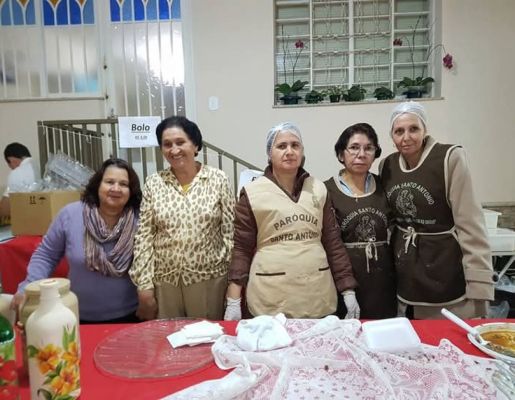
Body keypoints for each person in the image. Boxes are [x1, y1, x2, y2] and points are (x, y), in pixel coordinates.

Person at [224, 122, 359, 320]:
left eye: (295, 145)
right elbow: (242, 249)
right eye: (282, 146)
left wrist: (348, 290)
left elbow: (333, 243)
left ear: (302, 152)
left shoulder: (318, 188)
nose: (289, 151)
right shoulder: (252, 193)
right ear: (270, 154)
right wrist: (234, 300)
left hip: (316, 292)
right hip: (271, 295)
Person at [379, 101, 496, 319]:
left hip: (446, 265)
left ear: (425, 130)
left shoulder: (450, 158)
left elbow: (470, 224)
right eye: (399, 131)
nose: (406, 137)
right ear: (391, 135)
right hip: (407, 269)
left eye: (413, 129)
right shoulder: (387, 166)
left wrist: (479, 283)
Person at [130, 116, 235, 321]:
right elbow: (144, 237)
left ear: (195, 145)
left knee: (205, 341)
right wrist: (144, 285)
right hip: (165, 282)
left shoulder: (218, 179)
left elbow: (230, 233)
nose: (174, 149)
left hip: (209, 280)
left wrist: (234, 282)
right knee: (168, 343)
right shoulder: (154, 183)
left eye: (180, 142)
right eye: (167, 144)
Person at [12, 158, 141, 323]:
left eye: (124, 184)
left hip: (131, 315)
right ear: (98, 185)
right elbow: (46, 255)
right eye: (109, 182)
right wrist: (27, 286)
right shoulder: (71, 214)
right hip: (77, 316)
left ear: (131, 191)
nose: (116, 188)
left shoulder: (141, 219)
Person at [325, 123, 396, 319]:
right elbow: (331, 245)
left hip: (383, 282)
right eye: (354, 147)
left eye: (368, 148)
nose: (361, 154)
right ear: (341, 154)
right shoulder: (326, 191)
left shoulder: (385, 186)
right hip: (345, 281)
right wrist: (346, 289)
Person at [1, 142, 40, 217]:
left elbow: (5, 210)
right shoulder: (37, 166)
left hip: (25, 219)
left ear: (11, 160)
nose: (12, 168)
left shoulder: (17, 173)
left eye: (10, 165)